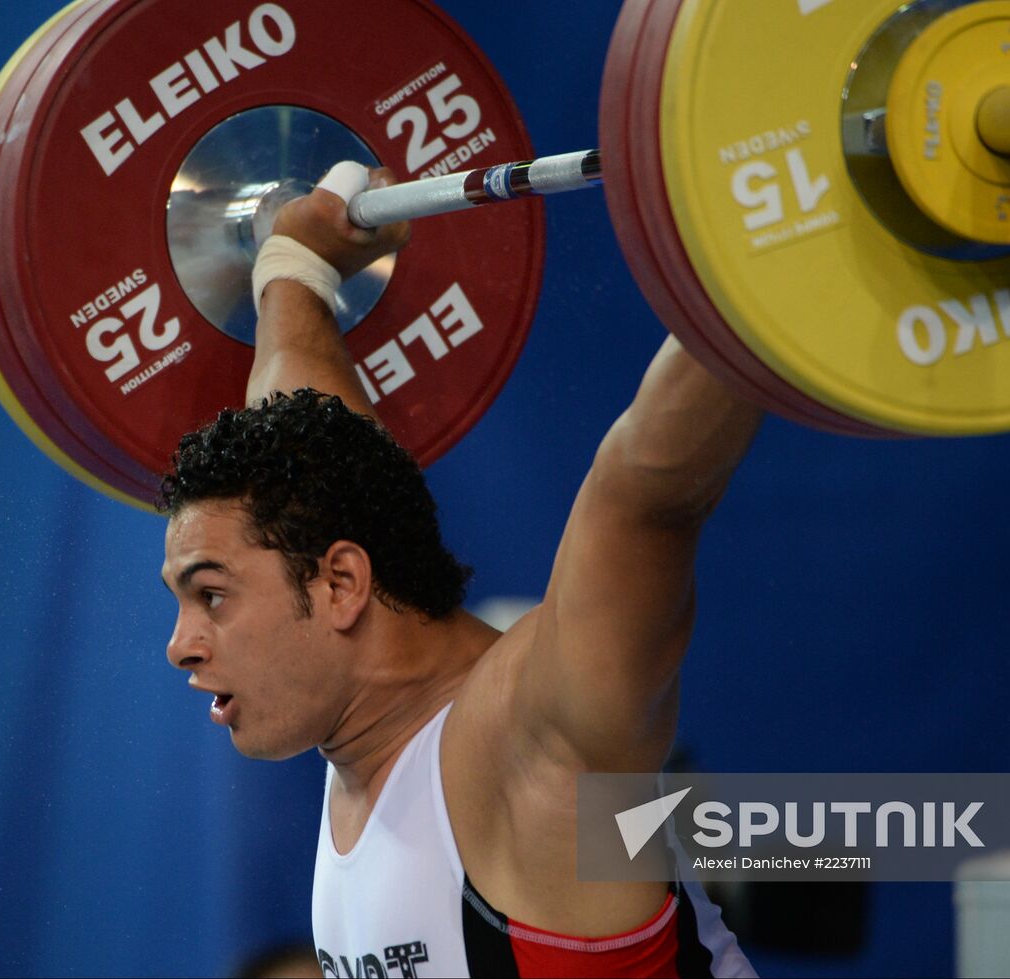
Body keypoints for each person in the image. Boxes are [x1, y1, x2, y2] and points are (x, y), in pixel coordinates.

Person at [159, 163, 763, 978]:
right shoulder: (361, 750)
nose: (182, 645)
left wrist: (769, 250)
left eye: (212, 595)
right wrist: (293, 268)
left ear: (340, 585)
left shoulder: (530, 741)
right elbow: (301, 420)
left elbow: (645, 493)